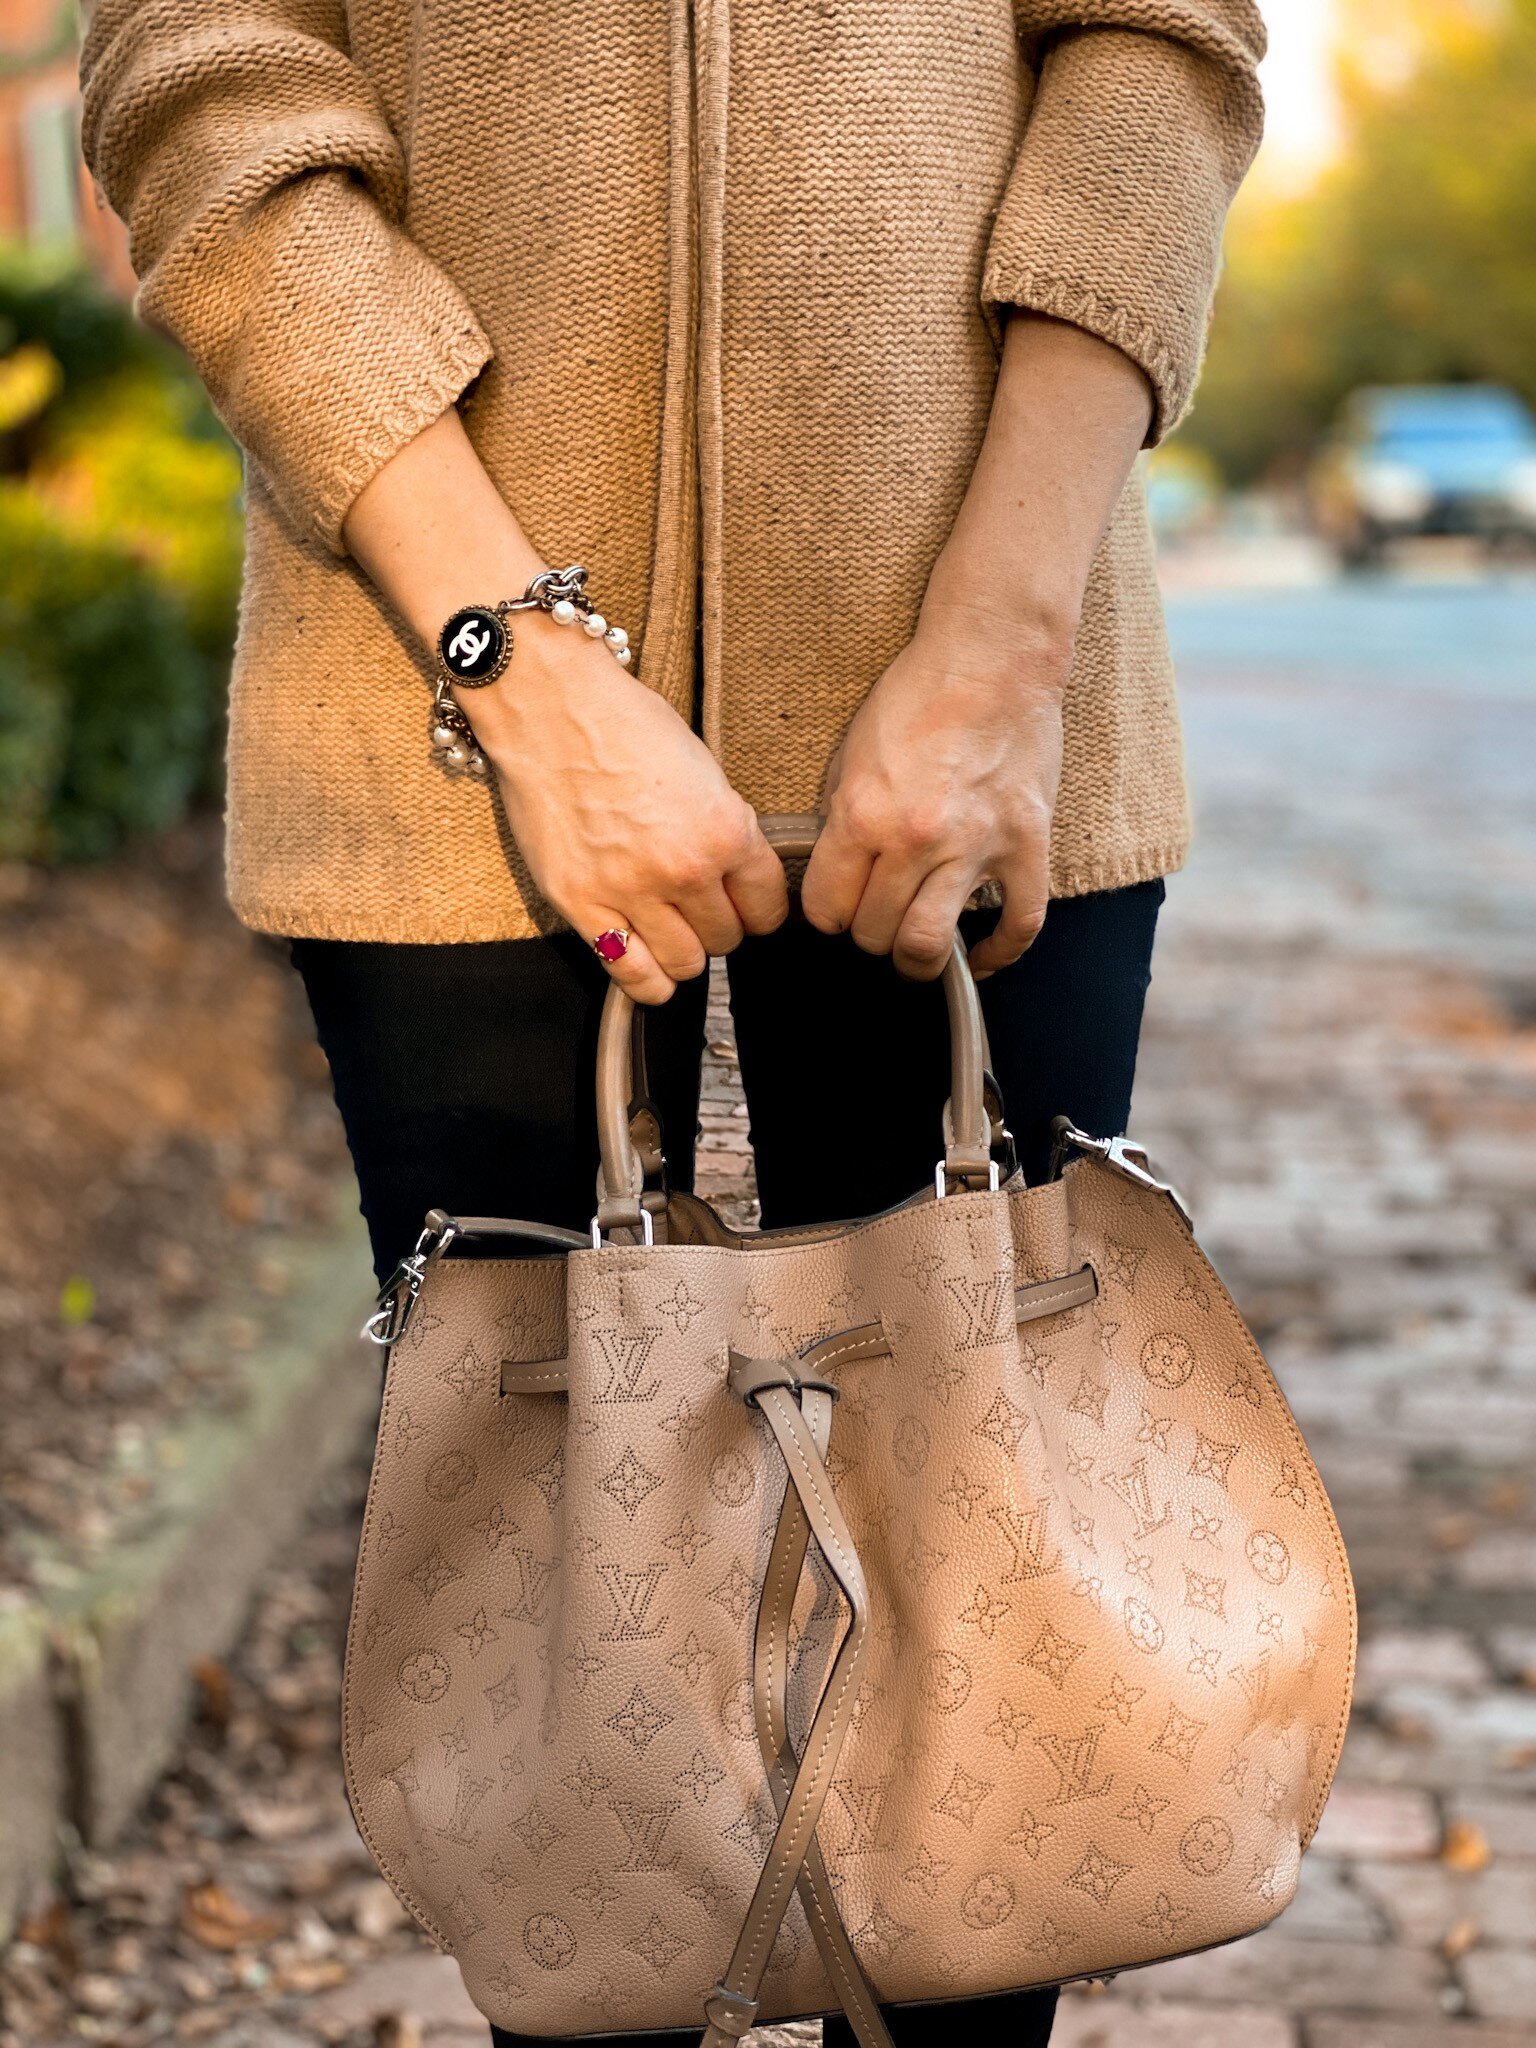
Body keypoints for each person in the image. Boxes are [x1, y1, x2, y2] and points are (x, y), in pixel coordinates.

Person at [80, 3, 1266, 2040]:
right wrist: (509, 662)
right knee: (576, 1715)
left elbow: (1161, 44)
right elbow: (204, 75)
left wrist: (1007, 638)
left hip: (988, 680)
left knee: (990, 1699)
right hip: (437, 715)